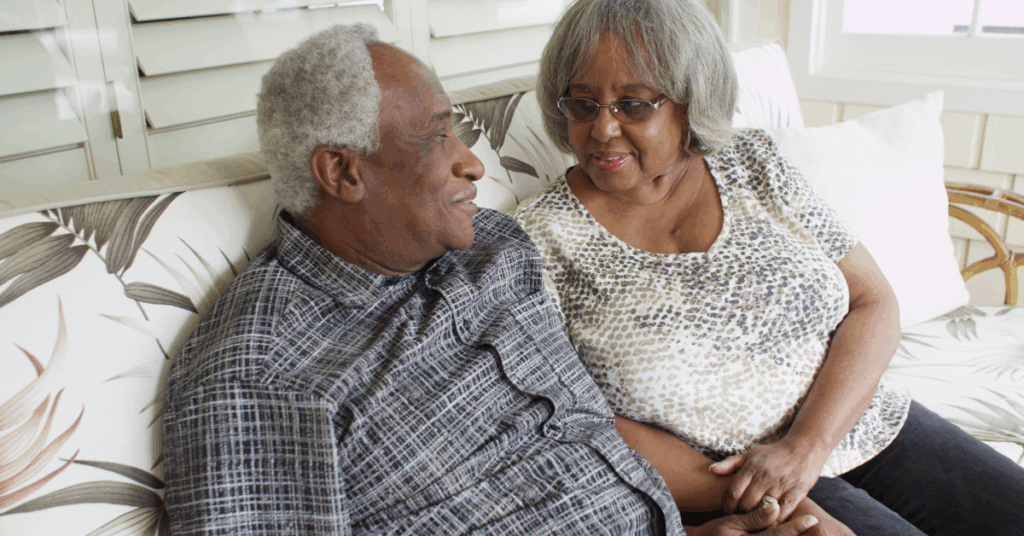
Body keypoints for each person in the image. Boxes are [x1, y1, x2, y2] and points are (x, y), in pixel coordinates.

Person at [161, 24, 824, 536]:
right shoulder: (259, 374)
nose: (472, 164)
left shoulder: (492, 248)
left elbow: (587, 441)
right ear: (342, 174)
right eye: (438, 138)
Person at [513, 1, 1024, 535]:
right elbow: (572, 416)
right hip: (723, 482)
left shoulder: (754, 163)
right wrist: (769, 499)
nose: (602, 129)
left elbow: (873, 301)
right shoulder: (536, 240)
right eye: (581, 103)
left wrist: (806, 446)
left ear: (692, 100)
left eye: (634, 106)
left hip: (860, 422)